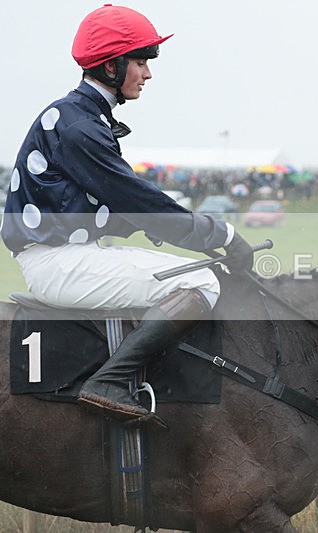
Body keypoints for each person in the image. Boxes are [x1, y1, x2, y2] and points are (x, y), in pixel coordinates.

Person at [0, 4, 253, 424]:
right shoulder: (79, 126)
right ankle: (108, 382)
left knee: (191, 272)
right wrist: (221, 235)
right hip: (59, 264)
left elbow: (108, 207)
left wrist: (150, 227)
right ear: (111, 65)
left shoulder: (80, 116)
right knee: (201, 282)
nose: (148, 74)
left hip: (67, 256)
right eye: (140, 62)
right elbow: (139, 201)